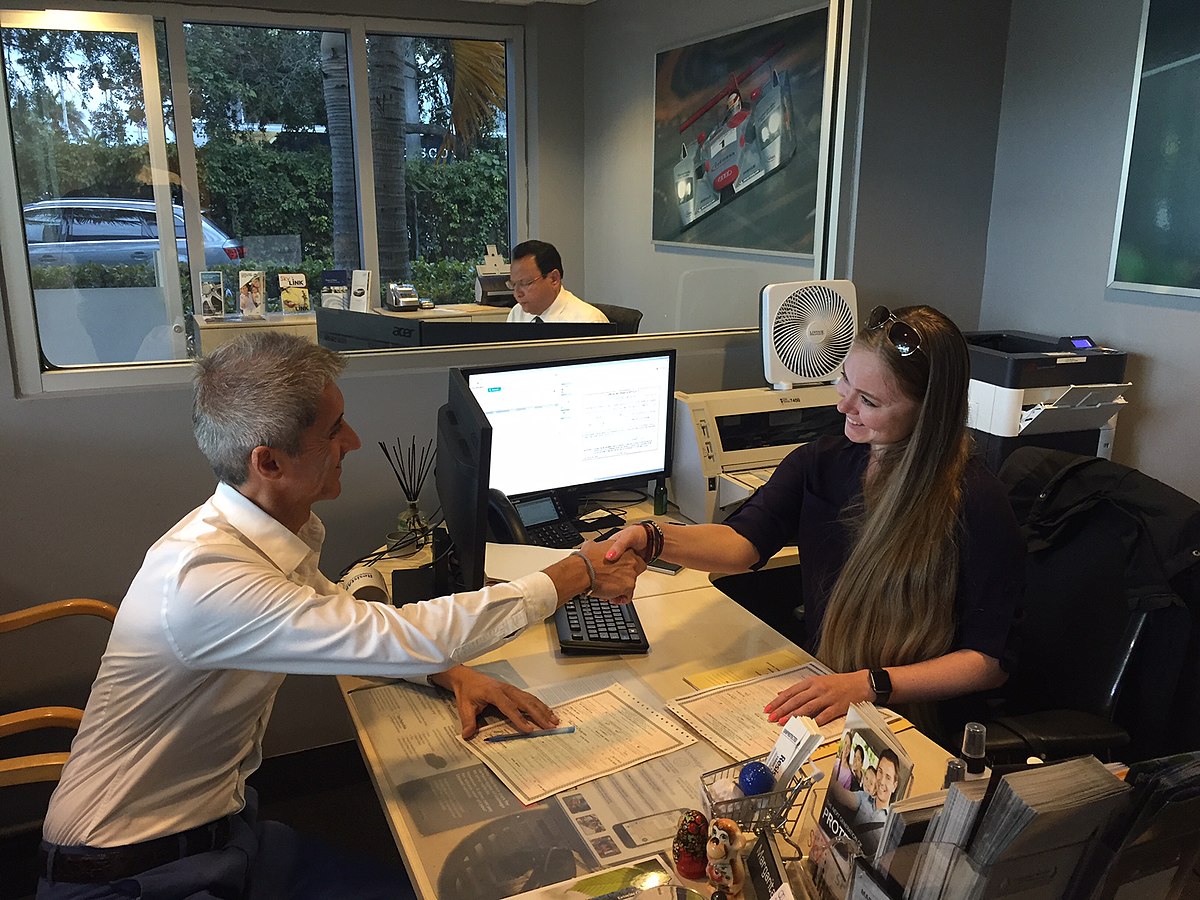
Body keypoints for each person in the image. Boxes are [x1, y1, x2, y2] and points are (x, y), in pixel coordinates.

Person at [36, 332, 643, 899]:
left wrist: (449, 673)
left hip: (225, 828)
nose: (352, 442)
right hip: (130, 871)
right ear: (268, 463)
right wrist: (574, 572)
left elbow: (341, 618)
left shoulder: (263, 532)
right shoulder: (206, 580)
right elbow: (396, 633)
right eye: (334, 431)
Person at [606, 305, 1024, 734]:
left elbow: (988, 663)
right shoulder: (821, 463)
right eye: (844, 379)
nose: (844, 405)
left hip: (908, 718)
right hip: (832, 688)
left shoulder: (976, 502)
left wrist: (869, 685)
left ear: (928, 412)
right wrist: (651, 537)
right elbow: (742, 543)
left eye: (870, 400)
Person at [504, 240, 609, 324]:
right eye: (513, 284)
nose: (517, 293)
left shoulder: (589, 321)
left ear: (554, 279)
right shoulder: (517, 314)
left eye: (526, 283)